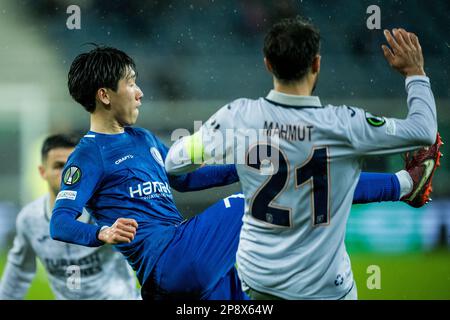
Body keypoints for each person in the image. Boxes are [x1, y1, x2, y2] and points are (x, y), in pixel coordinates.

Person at [50, 46, 435, 300]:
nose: (139, 92)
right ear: (104, 95)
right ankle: (403, 185)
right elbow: (61, 222)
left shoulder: (142, 137)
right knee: (266, 196)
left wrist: (245, 167)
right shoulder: (88, 156)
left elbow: (181, 179)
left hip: (180, 282)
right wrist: (101, 232)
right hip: (170, 259)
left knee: (256, 288)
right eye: (131, 83)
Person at [165, 17, 442, 300]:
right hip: (325, 287)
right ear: (317, 64)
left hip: (259, 280)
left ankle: (405, 184)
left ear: (268, 64)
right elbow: (424, 130)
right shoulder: (344, 123)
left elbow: (174, 163)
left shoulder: (237, 117)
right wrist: (415, 73)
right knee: (334, 178)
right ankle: (405, 184)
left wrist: (236, 160)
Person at [0, 134, 140, 300]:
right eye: (59, 166)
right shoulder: (30, 219)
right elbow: (19, 271)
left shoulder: (108, 209)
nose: (68, 173)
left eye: (75, 165)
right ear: (43, 172)